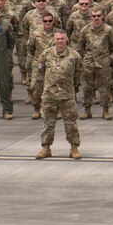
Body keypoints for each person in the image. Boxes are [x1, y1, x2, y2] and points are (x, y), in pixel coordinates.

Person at [35, 30, 83, 159]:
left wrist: (71, 87)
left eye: (62, 39)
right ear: (54, 40)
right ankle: (46, 148)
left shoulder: (74, 55)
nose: (60, 41)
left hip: (66, 95)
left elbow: (78, 74)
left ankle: (74, 148)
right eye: (57, 39)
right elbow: (41, 71)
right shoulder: (46, 54)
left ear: (66, 39)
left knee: (71, 123)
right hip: (49, 94)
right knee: (48, 122)